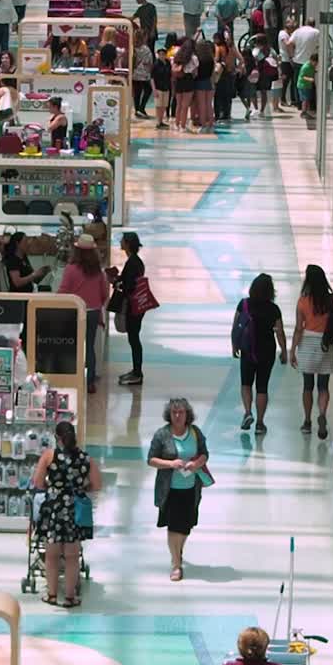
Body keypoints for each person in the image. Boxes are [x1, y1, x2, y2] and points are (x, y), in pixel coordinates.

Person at [31, 422, 102, 608]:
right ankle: (70, 597)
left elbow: (38, 482)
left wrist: (52, 487)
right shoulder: (86, 458)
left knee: (52, 555)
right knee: (72, 556)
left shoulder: (49, 456)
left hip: (54, 508)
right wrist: (81, 487)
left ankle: (52, 595)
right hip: (75, 508)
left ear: (57, 437)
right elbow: (96, 484)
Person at [146, 397, 209, 581]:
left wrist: (195, 464)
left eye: (181, 412)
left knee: (186, 526)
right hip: (170, 490)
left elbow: (205, 454)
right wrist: (171, 463)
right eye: (174, 412)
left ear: (187, 414)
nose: (177, 416)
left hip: (191, 488)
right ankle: (176, 564)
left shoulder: (195, 433)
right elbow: (151, 459)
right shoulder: (161, 435)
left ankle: (178, 551)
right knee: (173, 527)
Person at [233, 273, 287, 435]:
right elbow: (279, 332)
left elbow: (236, 326)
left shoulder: (244, 305)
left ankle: (248, 412)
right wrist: (284, 351)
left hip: (248, 350)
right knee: (262, 387)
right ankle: (260, 423)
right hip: (266, 351)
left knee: (246, 384)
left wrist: (234, 345)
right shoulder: (273, 309)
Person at [289, 264, 333, 439]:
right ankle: (322, 414)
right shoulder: (331, 300)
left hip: (307, 343)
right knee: (323, 386)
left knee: (307, 386)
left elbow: (298, 328)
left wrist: (292, 350)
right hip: (325, 344)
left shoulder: (303, 301)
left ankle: (307, 421)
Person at [58, 234, 109, 394]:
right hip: (93, 313)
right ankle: (90, 382)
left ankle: (73, 379)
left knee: (74, 347)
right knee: (90, 348)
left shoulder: (71, 269)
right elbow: (104, 294)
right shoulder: (98, 272)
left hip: (75, 313)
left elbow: (63, 292)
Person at [110, 231, 146, 385]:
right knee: (133, 339)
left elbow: (130, 286)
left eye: (123, 240)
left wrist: (118, 283)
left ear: (128, 244)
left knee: (134, 339)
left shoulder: (133, 263)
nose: (121, 242)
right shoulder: (134, 261)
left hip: (134, 307)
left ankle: (137, 373)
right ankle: (136, 370)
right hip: (136, 306)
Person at [213, 32, 243, 123]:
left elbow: (216, 60)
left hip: (221, 74)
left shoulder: (218, 48)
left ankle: (218, 114)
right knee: (227, 96)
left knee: (218, 96)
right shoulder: (232, 48)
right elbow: (241, 59)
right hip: (230, 74)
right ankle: (227, 114)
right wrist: (237, 69)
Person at [290, 17, 320, 110]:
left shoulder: (298, 31)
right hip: (310, 62)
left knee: (298, 82)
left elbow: (289, 43)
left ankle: (299, 104)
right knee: (311, 82)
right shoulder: (316, 32)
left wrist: (292, 55)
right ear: (314, 24)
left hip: (298, 60)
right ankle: (311, 105)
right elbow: (321, 44)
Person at [192, 39, 216, 133]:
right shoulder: (211, 59)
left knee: (201, 105)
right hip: (209, 82)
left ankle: (203, 125)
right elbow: (213, 73)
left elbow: (195, 72)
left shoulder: (198, 58)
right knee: (209, 104)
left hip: (199, 82)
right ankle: (211, 124)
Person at [132, 31, 154, 117]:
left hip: (134, 73)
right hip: (144, 74)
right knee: (148, 90)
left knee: (137, 92)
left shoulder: (132, 47)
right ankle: (142, 107)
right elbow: (149, 62)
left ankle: (137, 109)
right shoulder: (146, 49)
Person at [277, 18, 297, 107]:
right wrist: (291, 57)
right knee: (285, 81)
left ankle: (291, 99)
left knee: (291, 80)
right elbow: (287, 44)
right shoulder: (283, 34)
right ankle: (282, 99)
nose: (293, 29)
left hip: (288, 60)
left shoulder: (287, 34)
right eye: (292, 27)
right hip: (286, 60)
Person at [152, 46, 172, 129]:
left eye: (163, 54)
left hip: (166, 87)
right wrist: (154, 89)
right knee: (158, 105)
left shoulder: (167, 63)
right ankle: (158, 122)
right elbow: (152, 77)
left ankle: (161, 121)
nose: (161, 56)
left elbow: (170, 75)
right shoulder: (156, 64)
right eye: (160, 54)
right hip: (158, 87)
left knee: (164, 105)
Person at [297, 52, 317, 119]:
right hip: (303, 85)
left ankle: (306, 112)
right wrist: (310, 79)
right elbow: (302, 76)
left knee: (307, 99)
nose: (316, 64)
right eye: (315, 63)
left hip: (307, 85)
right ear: (311, 60)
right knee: (305, 100)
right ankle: (303, 112)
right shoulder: (305, 67)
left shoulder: (311, 66)